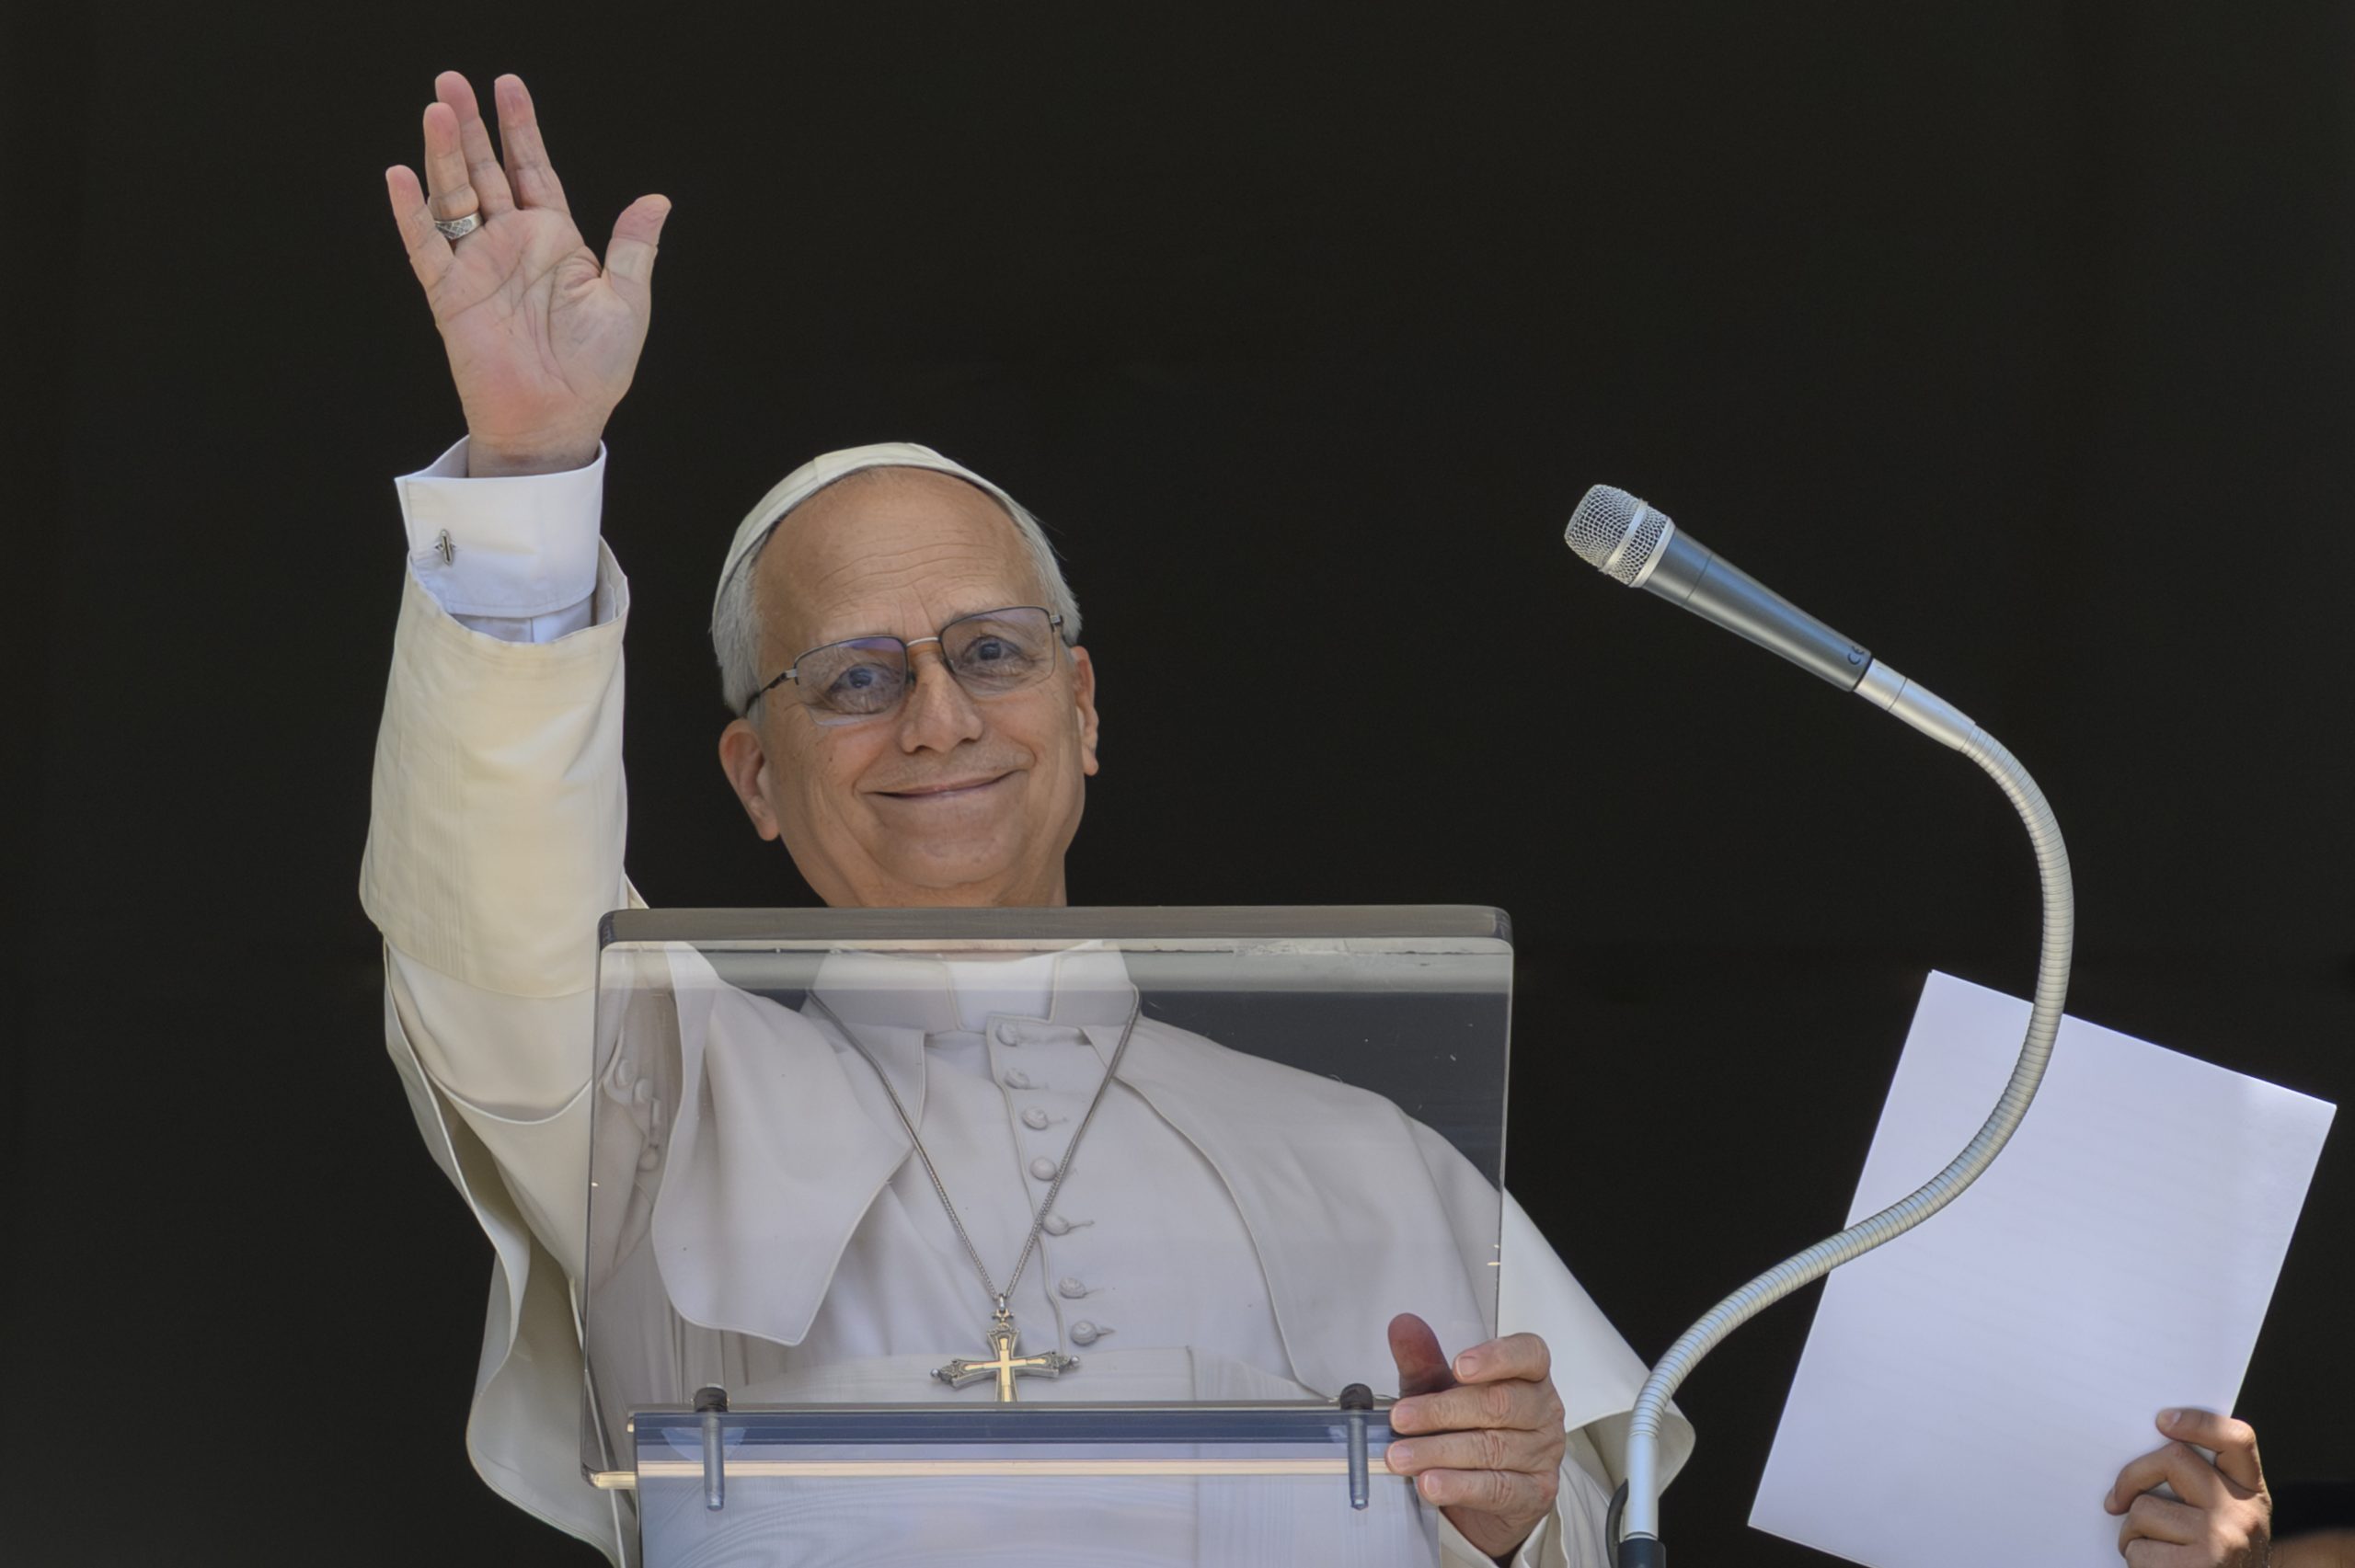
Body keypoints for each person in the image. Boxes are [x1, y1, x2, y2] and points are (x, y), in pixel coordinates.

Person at [371, 70, 1687, 1568]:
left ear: (1084, 708)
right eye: (856, 677)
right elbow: (492, 930)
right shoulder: (654, 1106)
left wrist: (1519, 1517)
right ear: (753, 774)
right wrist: (535, 473)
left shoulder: (1372, 1157)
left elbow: (1583, 1532)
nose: (938, 717)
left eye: (990, 651)